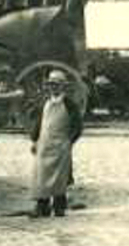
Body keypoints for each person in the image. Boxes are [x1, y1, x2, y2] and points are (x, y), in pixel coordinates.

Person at [29, 70, 83, 218]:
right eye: (51, 84)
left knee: (59, 178)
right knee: (41, 177)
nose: (54, 88)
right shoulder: (45, 103)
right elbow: (39, 123)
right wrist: (34, 140)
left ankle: (59, 206)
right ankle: (42, 206)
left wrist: (69, 141)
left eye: (57, 85)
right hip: (44, 145)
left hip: (61, 147)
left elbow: (77, 127)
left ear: (63, 87)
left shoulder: (69, 104)